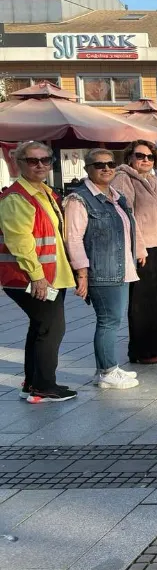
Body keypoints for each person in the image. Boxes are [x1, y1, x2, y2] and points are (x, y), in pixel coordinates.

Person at [0, 142, 77, 403]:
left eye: (46, 159)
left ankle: (33, 383)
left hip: (50, 275)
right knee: (51, 329)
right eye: (33, 161)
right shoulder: (17, 197)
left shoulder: (45, 192)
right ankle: (44, 385)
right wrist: (37, 277)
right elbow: (19, 241)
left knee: (41, 327)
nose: (41, 165)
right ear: (19, 163)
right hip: (30, 278)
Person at [64, 149, 141, 389]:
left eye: (110, 164)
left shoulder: (117, 196)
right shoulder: (79, 199)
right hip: (102, 270)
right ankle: (108, 371)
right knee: (108, 321)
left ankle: (107, 369)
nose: (106, 168)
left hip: (121, 268)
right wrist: (82, 272)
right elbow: (73, 239)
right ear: (87, 168)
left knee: (113, 320)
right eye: (99, 165)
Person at [112, 140, 157, 364]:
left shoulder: (152, 179)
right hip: (141, 248)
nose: (145, 160)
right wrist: (139, 248)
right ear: (129, 157)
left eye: (150, 157)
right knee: (142, 301)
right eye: (140, 155)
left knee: (155, 300)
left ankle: (154, 347)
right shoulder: (123, 178)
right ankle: (141, 350)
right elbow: (126, 215)